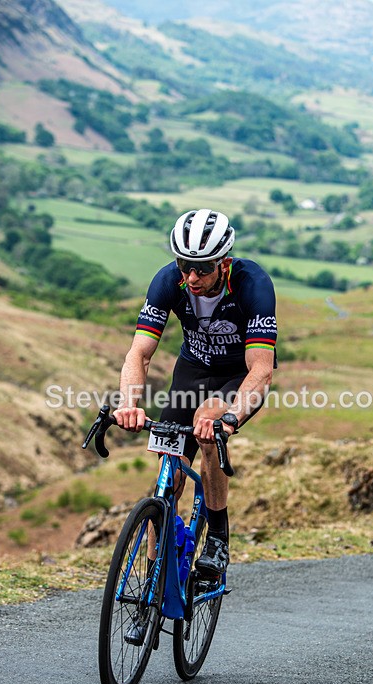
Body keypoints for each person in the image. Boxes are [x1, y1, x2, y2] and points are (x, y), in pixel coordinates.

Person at [114, 208, 277, 579]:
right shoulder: (169, 281)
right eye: (184, 265)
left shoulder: (253, 284)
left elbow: (261, 369)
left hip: (237, 375)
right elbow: (139, 353)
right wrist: (129, 405)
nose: (191, 277)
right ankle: (154, 581)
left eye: (202, 268)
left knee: (207, 422)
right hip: (193, 371)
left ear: (224, 263)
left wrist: (232, 418)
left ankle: (218, 534)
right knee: (167, 478)